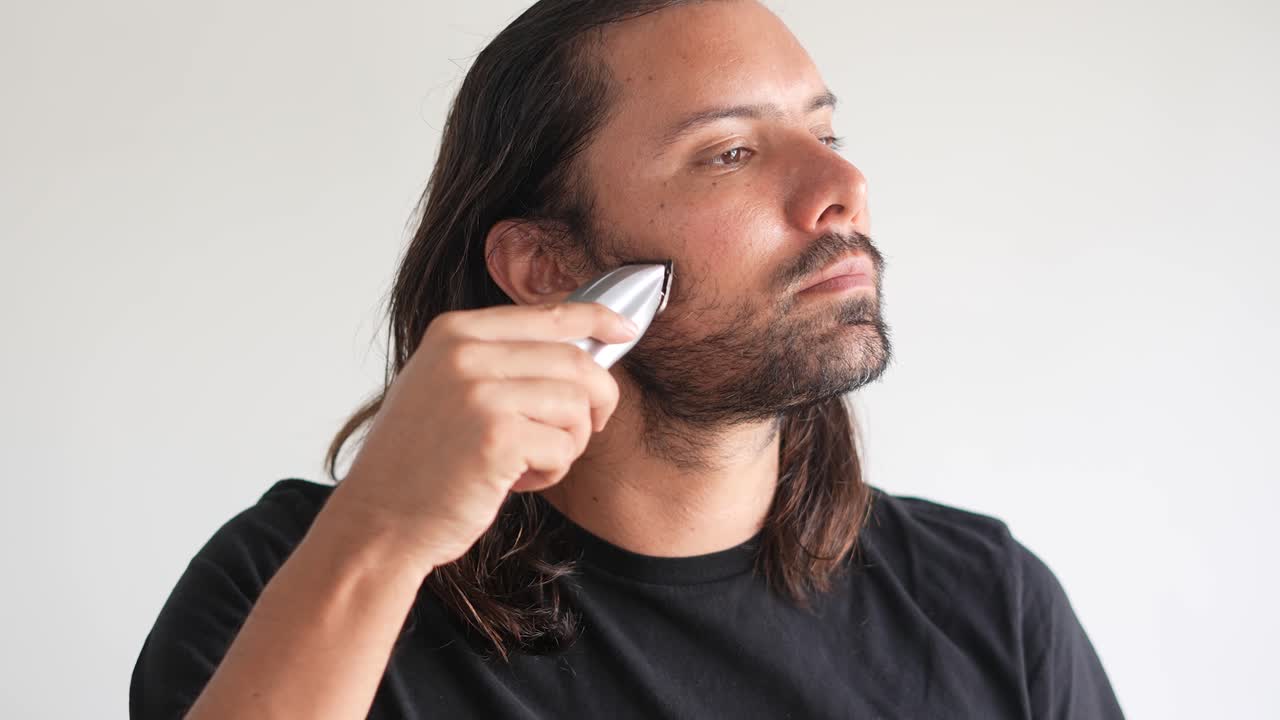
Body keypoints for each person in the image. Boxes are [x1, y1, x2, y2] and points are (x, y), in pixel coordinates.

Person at [130, 1, 1125, 717]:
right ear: (545, 265)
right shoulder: (295, 580)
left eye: (824, 131)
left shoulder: (985, 600)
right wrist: (383, 536)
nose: (841, 185)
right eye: (727, 152)